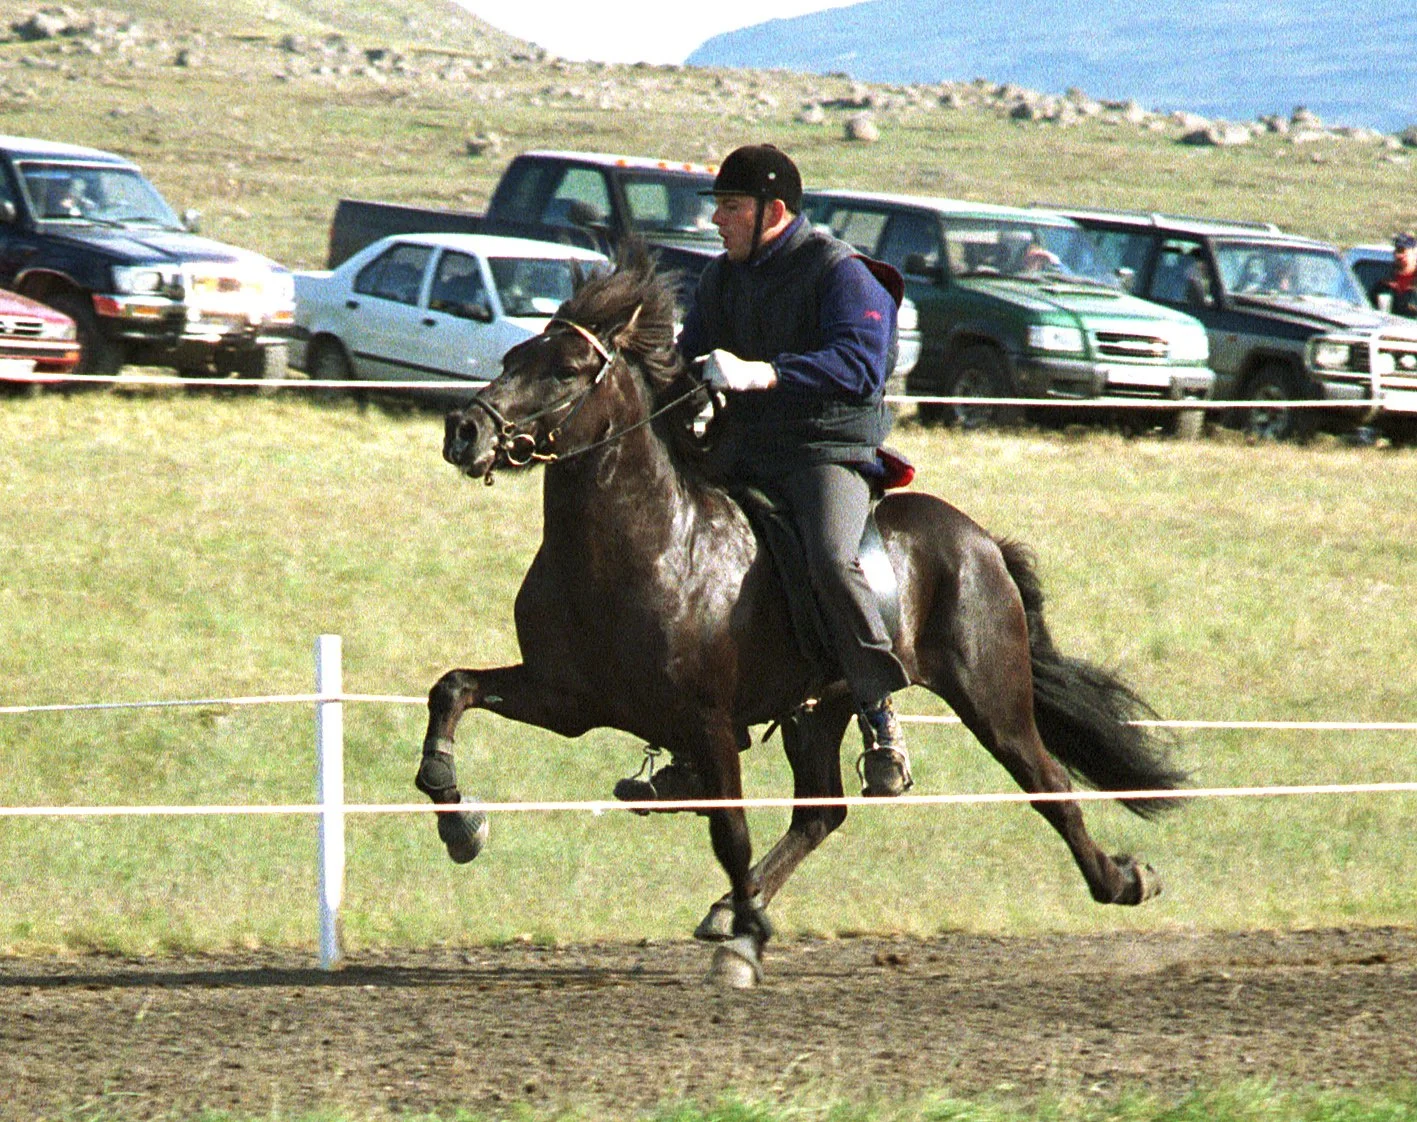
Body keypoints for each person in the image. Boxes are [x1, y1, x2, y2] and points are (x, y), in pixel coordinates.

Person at [677, 143, 913, 798]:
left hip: (822, 451)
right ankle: (691, 737)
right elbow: (685, 356)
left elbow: (859, 366)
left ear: (773, 211)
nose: (717, 220)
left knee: (832, 558)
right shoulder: (719, 279)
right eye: (719, 207)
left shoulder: (841, 275)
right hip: (744, 447)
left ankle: (878, 712)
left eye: (730, 207)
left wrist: (766, 373)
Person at [1370, 232, 1417, 318]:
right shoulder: (1384, 283)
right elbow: (1369, 309)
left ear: (1414, 252)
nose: (1398, 255)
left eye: (1402, 251)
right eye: (1396, 250)